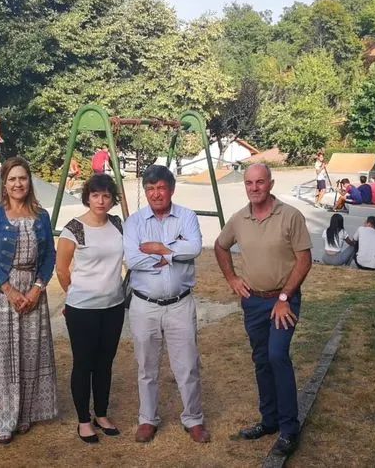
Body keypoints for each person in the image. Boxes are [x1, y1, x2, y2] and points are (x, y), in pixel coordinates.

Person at [214, 163, 311, 458]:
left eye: (259, 182)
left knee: (277, 355)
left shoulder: (290, 216)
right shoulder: (239, 219)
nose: (254, 188)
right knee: (261, 359)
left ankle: (289, 429)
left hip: (283, 300)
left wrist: (284, 296)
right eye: (249, 183)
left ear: (270, 183)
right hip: (253, 302)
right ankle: (269, 421)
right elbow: (220, 246)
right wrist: (232, 278)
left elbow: (304, 260)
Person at [124, 165, 209, 444]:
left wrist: (162, 250)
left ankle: (193, 418)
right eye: (150, 189)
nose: (155, 194)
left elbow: (194, 247)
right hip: (143, 305)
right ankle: (147, 419)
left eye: (161, 188)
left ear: (171, 189)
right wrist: (175, 251)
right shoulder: (134, 222)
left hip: (179, 305)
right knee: (146, 366)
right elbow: (133, 260)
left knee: (187, 365)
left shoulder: (186, 216)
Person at [0, 157, 58, 444]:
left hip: (33, 291)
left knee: (29, 355)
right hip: (0, 293)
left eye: (22, 178)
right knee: (2, 359)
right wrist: (10, 290)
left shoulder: (42, 216)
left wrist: (37, 288)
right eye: (12, 179)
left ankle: (25, 415)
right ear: (4, 183)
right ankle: (3, 421)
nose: (18, 183)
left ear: (29, 182)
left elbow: (49, 256)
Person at [56, 174, 126, 444]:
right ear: (87, 196)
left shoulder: (118, 224)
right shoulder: (74, 229)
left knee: (105, 363)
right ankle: (83, 420)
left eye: (106, 195)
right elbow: (62, 269)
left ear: (112, 199)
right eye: (96, 195)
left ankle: (102, 414)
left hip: (113, 306)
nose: (101, 200)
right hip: (82, 309)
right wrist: (74, 296)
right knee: (84, 363)